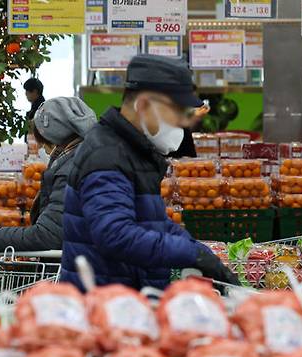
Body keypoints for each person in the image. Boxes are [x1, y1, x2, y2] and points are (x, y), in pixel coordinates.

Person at [60, 54, 239, 290]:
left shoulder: (133, 149)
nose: (182, 124)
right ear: (143, 106)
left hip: (127, 299)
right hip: (104, 305)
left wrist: (201, 252)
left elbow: (151, 223)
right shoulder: (107, 155)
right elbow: (116, 235)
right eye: (175, 113)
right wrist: (190, 253)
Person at [0, 97, 96, 251]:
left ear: (56, 137)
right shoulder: (87, 157)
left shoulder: (70, 170)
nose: (42, 148)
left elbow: (47, 235)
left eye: (43, 141)